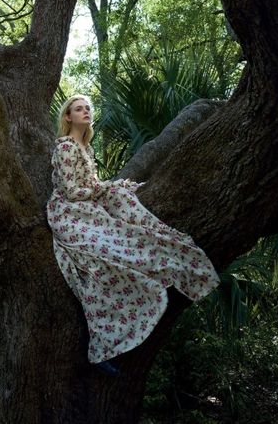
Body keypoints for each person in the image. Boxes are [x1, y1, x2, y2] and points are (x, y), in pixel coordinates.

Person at [47, 94, 219, 376]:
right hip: (68, 212)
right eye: (79, 109)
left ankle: (167, 264)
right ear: (68, 117)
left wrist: (108, 188)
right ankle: (104, 338)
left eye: (88, 107)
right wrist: (105, 189)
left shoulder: (87, 149)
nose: (86, 111)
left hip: (87, 206)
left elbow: (91, 187)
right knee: (103, 254)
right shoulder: (66, 147)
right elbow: (71, 191)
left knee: (127, 230)